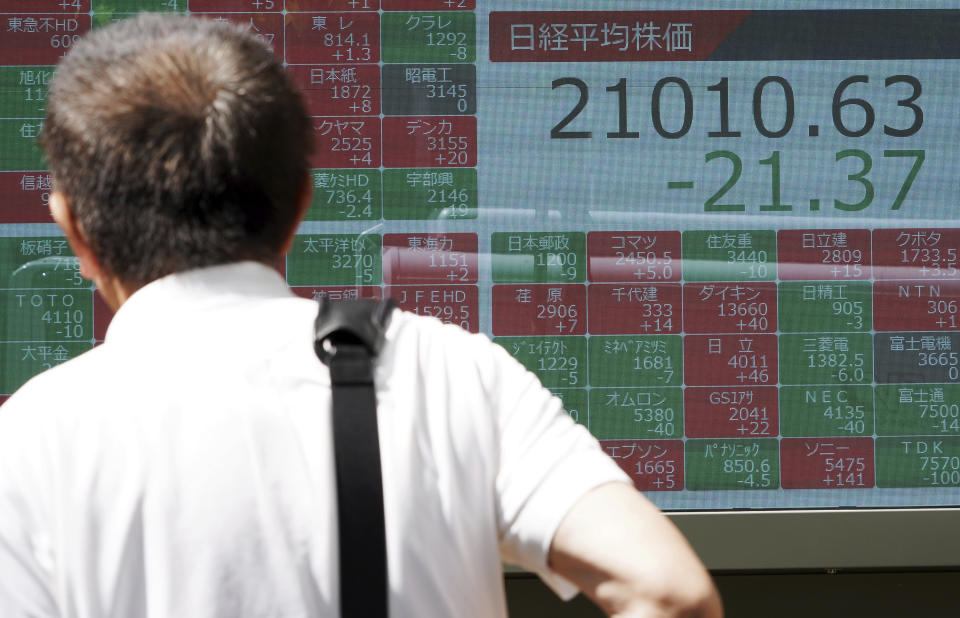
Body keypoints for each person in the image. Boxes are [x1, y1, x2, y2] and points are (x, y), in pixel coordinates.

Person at [0, 14, 722, 618]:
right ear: (300, 203)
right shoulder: (449, 371)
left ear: (76, 233)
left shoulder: (28, 442)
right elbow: (670, 592)